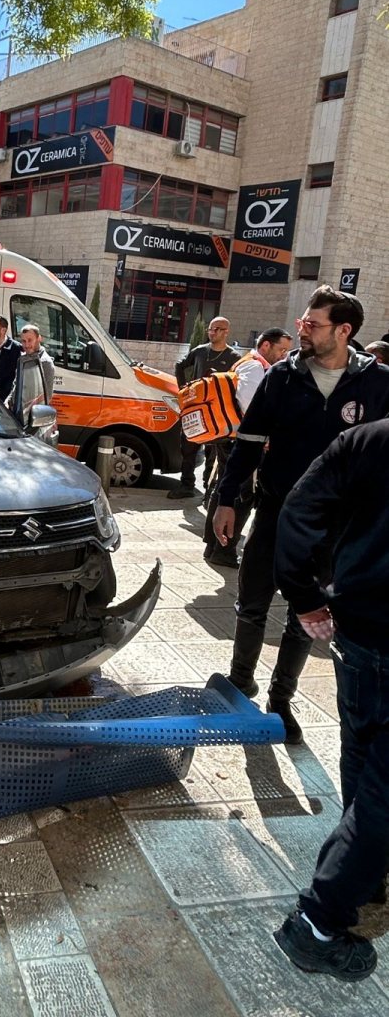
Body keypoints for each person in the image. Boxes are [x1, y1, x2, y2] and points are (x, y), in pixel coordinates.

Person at [213, 286, 389, 743]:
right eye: (302, 322)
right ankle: (239, 682)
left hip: (337, 527)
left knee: (305, 614)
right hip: (274, 512)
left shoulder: (379, 384)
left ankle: (281, 700)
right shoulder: (281, 377)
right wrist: (226, 500)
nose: (302, 330)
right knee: (252, 603)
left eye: (313, 324)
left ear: (344, 331)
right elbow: (248, 442)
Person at [271, 418, 389, 982]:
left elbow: (300, 508)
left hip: (361, 631)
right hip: (366, 633)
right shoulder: (368, 439)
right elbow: (300, 507)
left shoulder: (370, 438)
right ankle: (317, 922)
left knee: (363, 753)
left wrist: (304, 594)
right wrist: (304, 595)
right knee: (380, 791)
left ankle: (365, 864)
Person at [203, 327, 293, 567]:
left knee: (225, 489)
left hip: (233, 437)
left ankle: (213, 545)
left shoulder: (250, 363)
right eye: (281, 349)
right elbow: (251, 405)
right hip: (243, 441)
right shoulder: (255, 367)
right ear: (265, 346)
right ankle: (224, 550)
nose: (285, 355)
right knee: (241, 495)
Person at [168, 316, 241, 500]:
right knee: (188, 448)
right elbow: (180, 365)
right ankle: (186, 485)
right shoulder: (200, 351)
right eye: (210, 329)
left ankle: (209, 489)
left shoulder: (233, 357)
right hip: (196, 410)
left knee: (213, 454)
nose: (211, 333)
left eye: (216, 329)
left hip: (218, 414)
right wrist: (183, 390)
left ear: (226, 332)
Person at [19, 324, 55, 398]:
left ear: (39, 339)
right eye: (23, 341)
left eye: (30, 340)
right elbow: (16, 386)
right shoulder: (22, 358)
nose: (26, 345)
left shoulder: (45, 363)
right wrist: (7, 403)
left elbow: (46, 396)